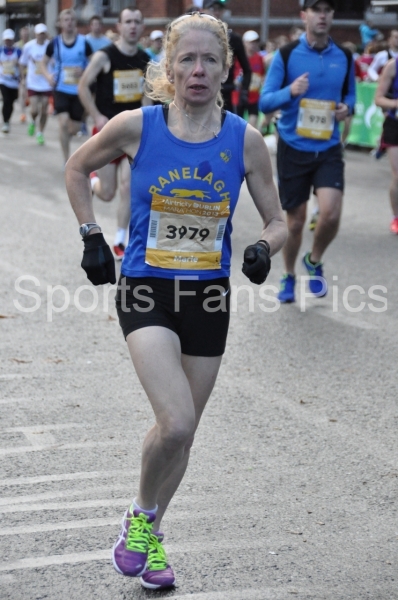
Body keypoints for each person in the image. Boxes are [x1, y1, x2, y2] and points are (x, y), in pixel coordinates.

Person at [65, 11, 286, 591]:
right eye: (186, 59)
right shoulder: (138, 125)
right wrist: (91, 235)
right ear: (169, 67)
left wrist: (265, 246)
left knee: (180, 433)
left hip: (208, 297)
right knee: (178, 418)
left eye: (209, 59)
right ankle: (141, 516)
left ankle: (152, 538)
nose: (197, 70)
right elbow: (76, 167)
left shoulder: (245, 139)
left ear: (225, 68)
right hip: (146, 289)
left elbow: (280, 219)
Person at [260, 0, 355, 304]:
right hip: (294, 146)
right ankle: (288, 274)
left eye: (328, 10)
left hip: (327, 146)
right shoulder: (286, 55)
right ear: (304, 16)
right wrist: (291, 92)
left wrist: (347, 108)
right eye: (316, 10)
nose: (323, 15)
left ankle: (314, 259)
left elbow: (350, 93)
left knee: (330, 212)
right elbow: (265, 102)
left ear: (332, 16)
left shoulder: (345, 56)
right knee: (296, 221)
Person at [78, 7, 151, 260]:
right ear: (119, 26)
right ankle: (93, 182)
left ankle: (121, 239)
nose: (132, 26)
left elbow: (146, 96)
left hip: (132, 133)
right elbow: (83, 87)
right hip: (108, 132)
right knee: (108, 193)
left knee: (129, 187)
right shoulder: (104, 56)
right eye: (128, 21)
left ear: (142, 27)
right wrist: (96, 115)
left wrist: (146, 120)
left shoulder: (145, 59)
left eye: (137, 21)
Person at [41, 9, 92, 164]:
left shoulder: (84, 42)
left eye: (72, 19)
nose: (69, 22)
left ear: (75, 22)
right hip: (61, 88)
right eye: (66, 20)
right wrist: (48, 76)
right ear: (60, 23)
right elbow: (43, 63)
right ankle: (67, 160)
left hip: (79, 90)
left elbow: (94, 63)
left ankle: (68, 135)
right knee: (63, 122)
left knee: (74, 129)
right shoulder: (54, 43)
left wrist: (84, 70)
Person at [202, 0, 251, 113]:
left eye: (219, 9)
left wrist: (244, 92)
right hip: (201, 91)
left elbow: (247, 69)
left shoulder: (233, 38)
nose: (216, 12)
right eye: (212, 8)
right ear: (203, 10)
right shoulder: (195, 36)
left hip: (225, 93)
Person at [375, 57, 398, 234]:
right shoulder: (393, 65)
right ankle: (396, 217)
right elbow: (379, 98)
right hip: (394, 124)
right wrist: (395, 103)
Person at [19, 23, 52, 145]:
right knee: (34, 110)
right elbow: (22, 63)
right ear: (35, 34)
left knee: (44, 109)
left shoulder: (50, 46)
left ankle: (40, 133)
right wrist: (23, 78)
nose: (41, 36)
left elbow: (55, 61)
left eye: (43, 34)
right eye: (39, 34)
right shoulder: (28, 46)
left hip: (46, 82)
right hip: (33, 82)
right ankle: (33, 121)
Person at [239, 30, 265, 128]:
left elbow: (262, 74)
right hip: (240, 97)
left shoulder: (259, 58)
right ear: (244, 43)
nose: (253, 45)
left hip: (254, 97)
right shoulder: (238, 58)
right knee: (238, 125)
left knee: (252, 126)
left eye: (255, 42)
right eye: (251, 42)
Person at [0, 29, 21, 133]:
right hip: (3, 80)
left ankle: (8, 118)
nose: (8, 41)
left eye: (9, 39)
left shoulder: (18, 51)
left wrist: (17, 63)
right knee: (6, 100)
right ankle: (5, 121)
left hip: (14, 82)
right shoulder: (0, 50)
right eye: (6, 40)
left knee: (11, 102)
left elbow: (23, 65)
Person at [14, 25, 30, 123]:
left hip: (33, 74)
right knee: (22, 93)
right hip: (21, 74)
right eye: (23, 34)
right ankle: (23, 114)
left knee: (31, 96)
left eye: (26, 34)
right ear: (20, 35)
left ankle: (32, 112)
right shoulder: (17, 46)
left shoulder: (33, 43)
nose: (25, 35)